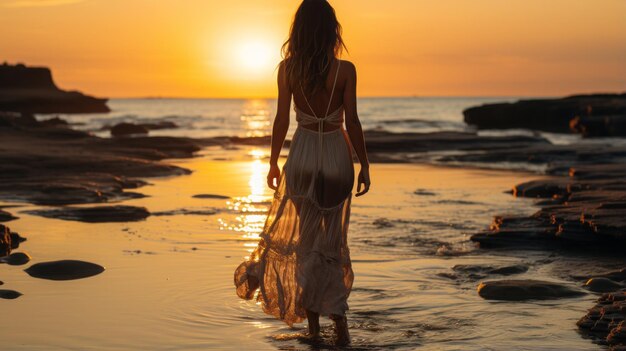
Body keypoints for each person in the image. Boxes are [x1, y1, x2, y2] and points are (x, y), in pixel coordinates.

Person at [234, 0, 370, 346]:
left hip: (303, 156)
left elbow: (281, 119)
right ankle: (339, 325)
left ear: (298, 30)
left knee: (307, 245)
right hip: (336, 159)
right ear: (331, 30)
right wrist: (365, 164)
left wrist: (272, 161)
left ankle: (312, 329)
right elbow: (351, 122)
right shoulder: (346, 70)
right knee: (332, 245)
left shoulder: (287, 69)